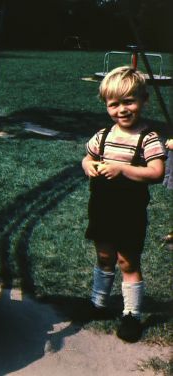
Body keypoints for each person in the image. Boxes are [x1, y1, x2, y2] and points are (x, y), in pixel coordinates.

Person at [81, 66, 166, 342]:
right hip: (102, 207)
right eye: (114, 104)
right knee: (104, 255)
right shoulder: (103, 135)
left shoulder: (148, 138)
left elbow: (156, 172)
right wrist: (89, 166)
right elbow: (87, 157)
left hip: (130, 211)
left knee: (127, 260)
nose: (122, 110)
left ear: (143, 100)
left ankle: (131, 314)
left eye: (129, 101)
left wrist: (121, 168)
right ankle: (98, 303)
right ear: (106, 105)